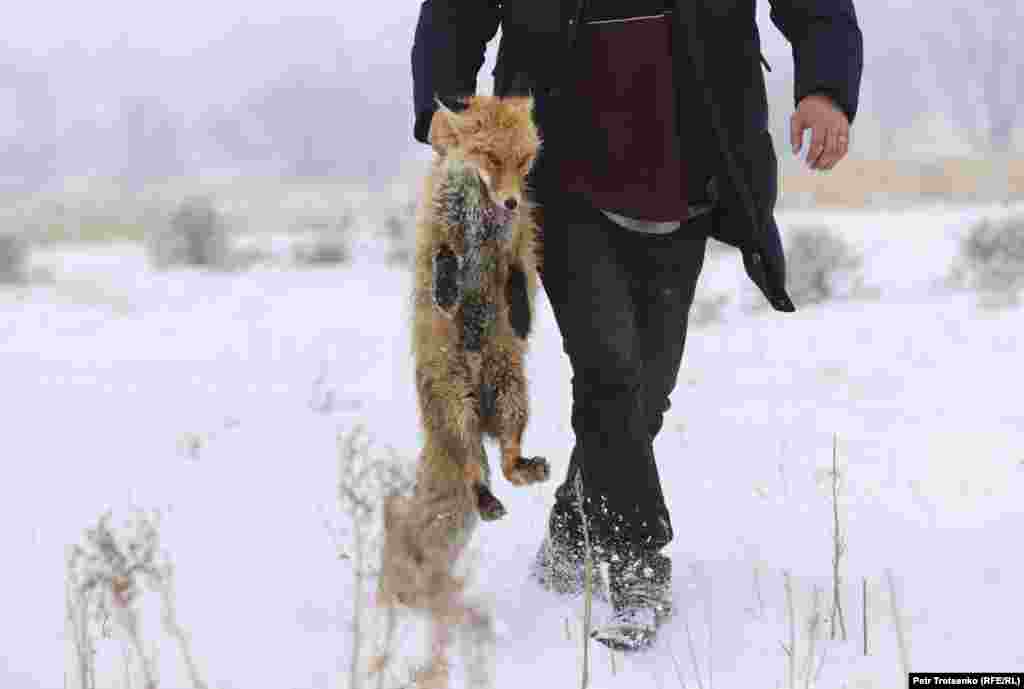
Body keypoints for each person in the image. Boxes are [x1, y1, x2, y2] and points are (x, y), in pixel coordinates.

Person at [411, 0, 863, 651]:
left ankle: (575, 523)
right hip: (559, 175)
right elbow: (455, 13)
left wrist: (826, 89)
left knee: (646, 391)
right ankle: (636, 562)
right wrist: (443, 100)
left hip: (687, 175)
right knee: (610, 371)